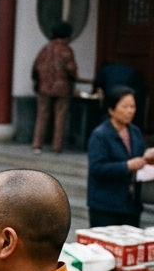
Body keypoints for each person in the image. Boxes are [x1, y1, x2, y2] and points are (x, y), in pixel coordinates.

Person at [86, 85, 154, 227]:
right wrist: (127, 166)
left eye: (132, 106)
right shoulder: (100, 135)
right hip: (106, 206)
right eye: (125, 106)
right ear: (111, 109)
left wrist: (147, 157)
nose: (130, 111)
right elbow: (97, 168)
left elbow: (139, 157)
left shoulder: (135, 132)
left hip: (131, 205)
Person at [31, 23, 79, 153]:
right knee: (60, 116)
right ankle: (57, 146)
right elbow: (72, 70)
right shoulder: (66, 51)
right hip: (61, 87)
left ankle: (37, 144)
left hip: (44, 87)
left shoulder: (45, 49)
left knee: (42, 115)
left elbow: (35, 66)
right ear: (66, 36)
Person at [94, 61, 147, 127]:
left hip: (111, 95)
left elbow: (99, 90)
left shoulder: (104, 70)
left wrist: (101, 103)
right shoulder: (130, 70)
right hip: (133, 93)